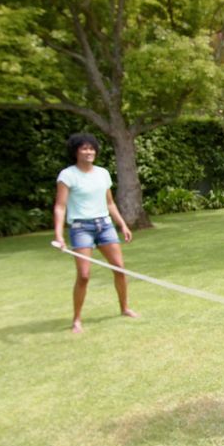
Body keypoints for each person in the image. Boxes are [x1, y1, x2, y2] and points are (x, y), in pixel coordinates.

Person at [53, 133, 138, 333]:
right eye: (84, 148)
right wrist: (59, 235)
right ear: (76, 151)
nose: (89, 152)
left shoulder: (103, 173)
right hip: (81, 228)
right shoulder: (68, 175)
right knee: (83, 275)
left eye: (91, 148)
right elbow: (60, 206)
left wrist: (122, 225)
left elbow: (110, 203)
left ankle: (124, 308)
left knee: (119, 268)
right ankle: (76, 319)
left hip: (105, 226)